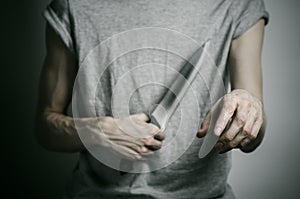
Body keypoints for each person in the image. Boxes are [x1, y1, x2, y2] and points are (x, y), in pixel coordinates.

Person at [35, 0, 269, 198]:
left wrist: (247, 109)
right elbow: (45, 128)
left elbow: (256, 134)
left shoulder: (235, 3)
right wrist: (98, 131)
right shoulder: (72, 5)